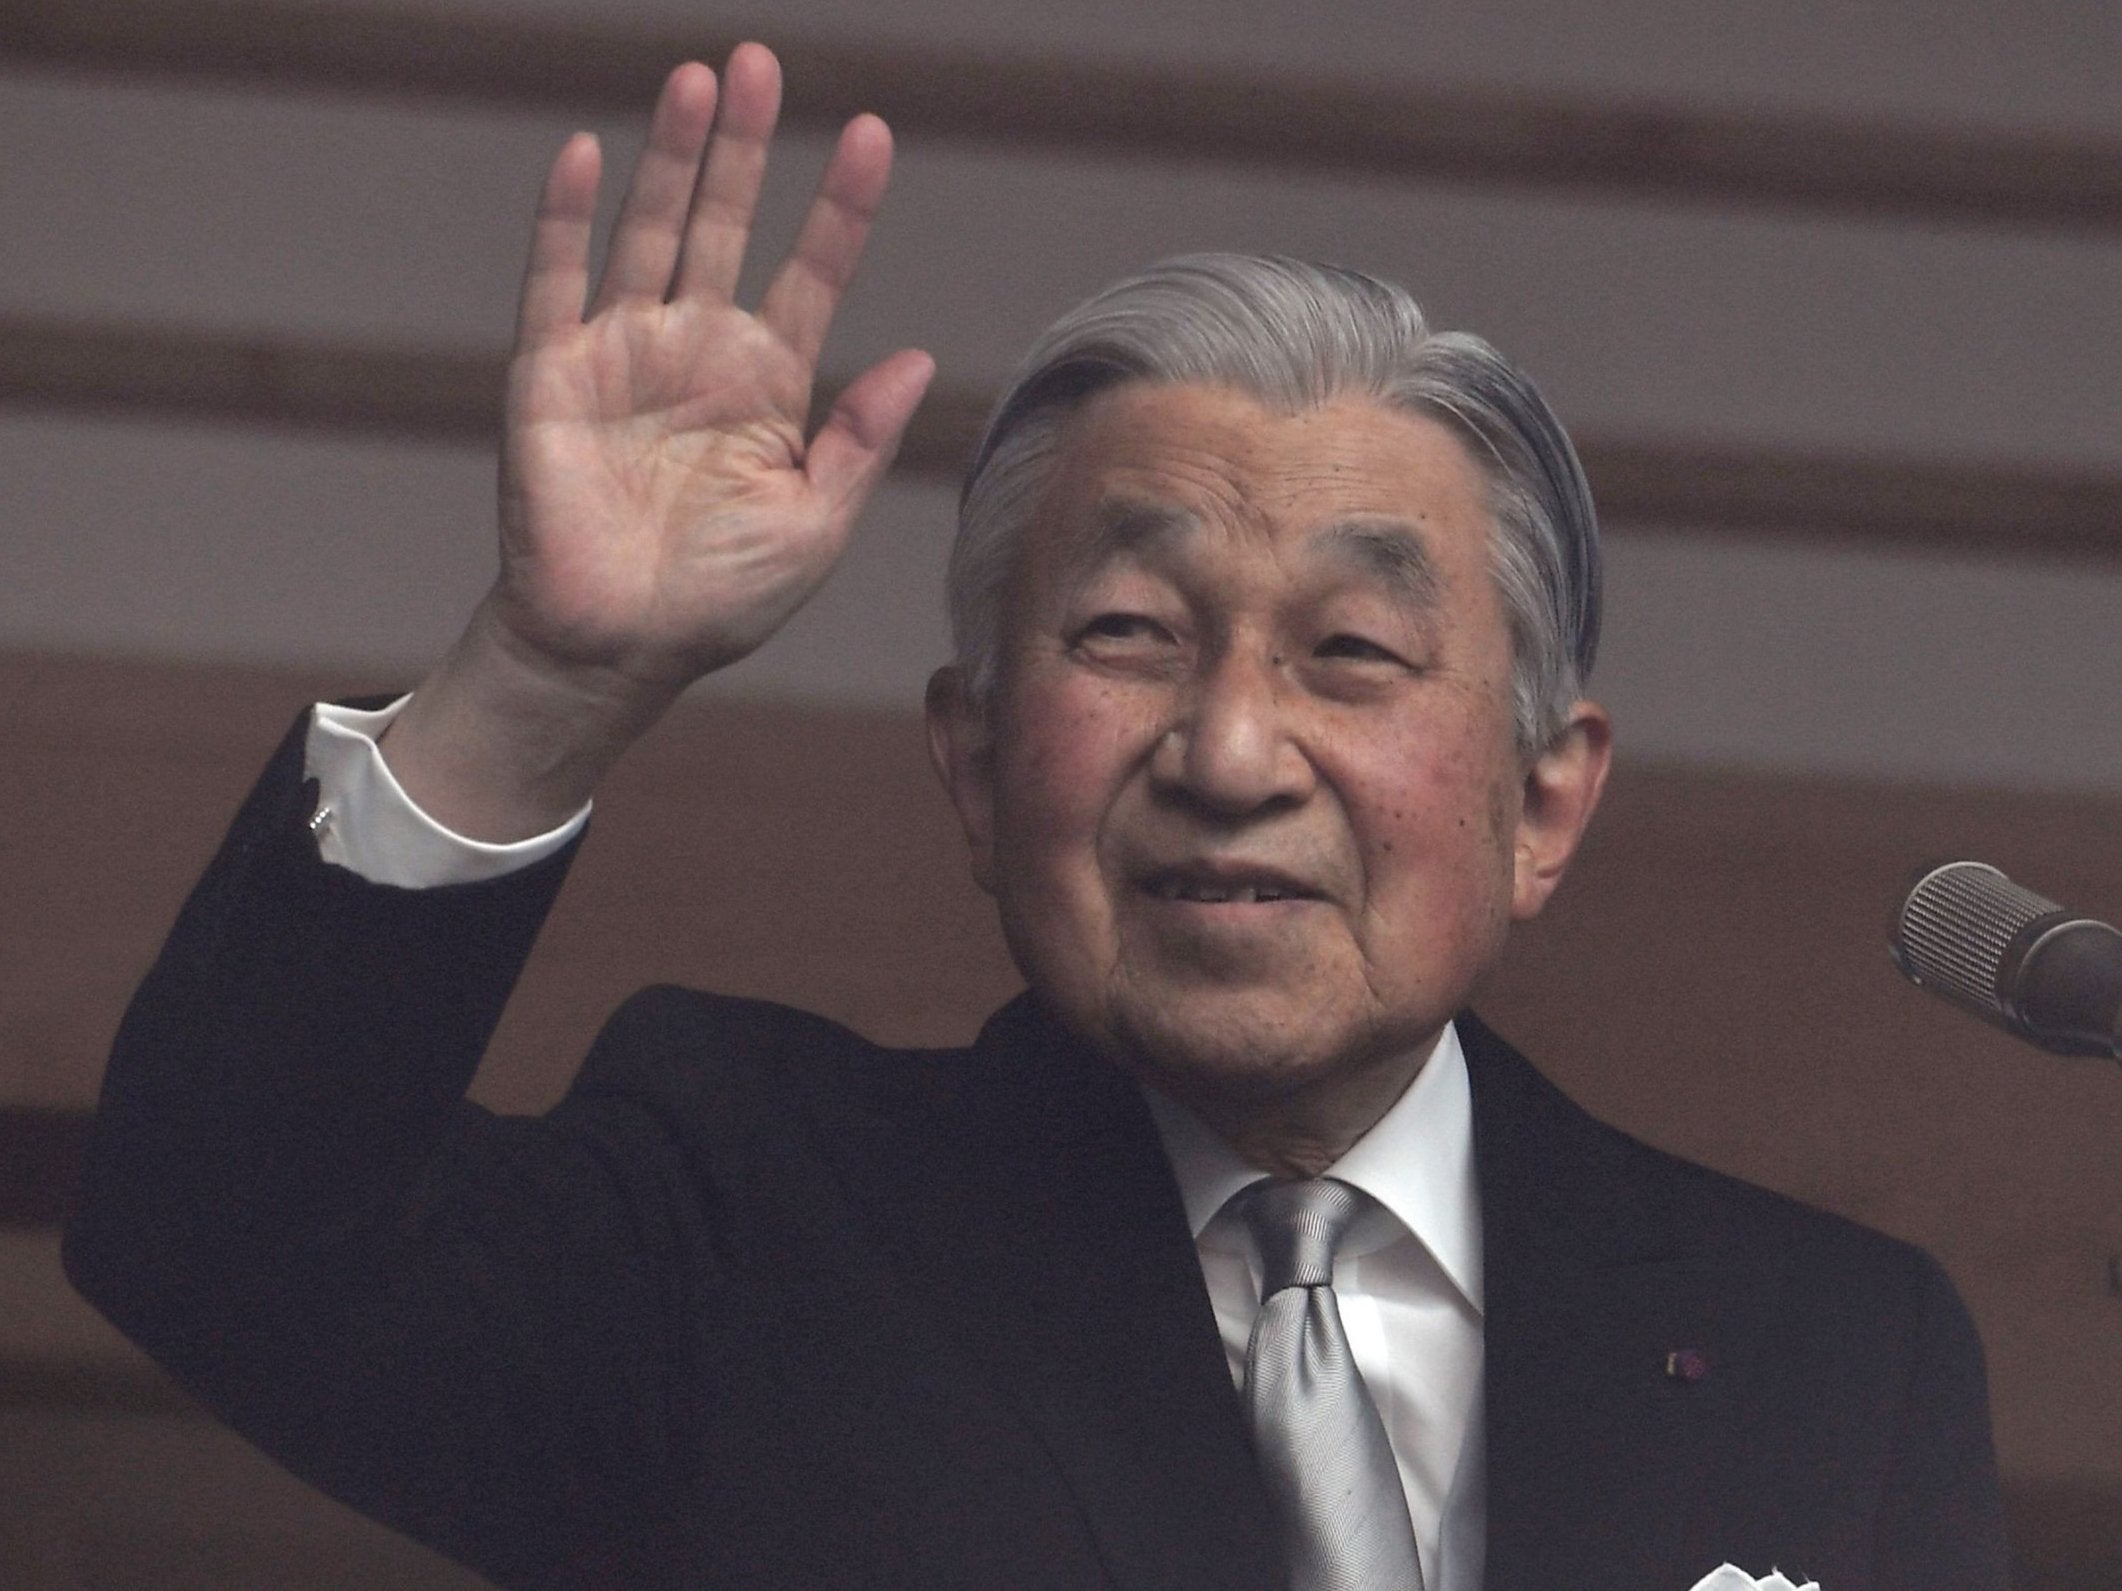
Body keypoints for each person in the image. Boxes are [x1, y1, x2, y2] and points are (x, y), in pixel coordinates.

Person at [67, 44, 2009, 1591]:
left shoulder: (1834, 1357)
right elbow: (221, 1238)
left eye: (1346, 650)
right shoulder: (749, 1229)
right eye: (1128, 633)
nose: (1230, 747)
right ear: (977, 768)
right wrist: (550, 675)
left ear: (1541, 799)